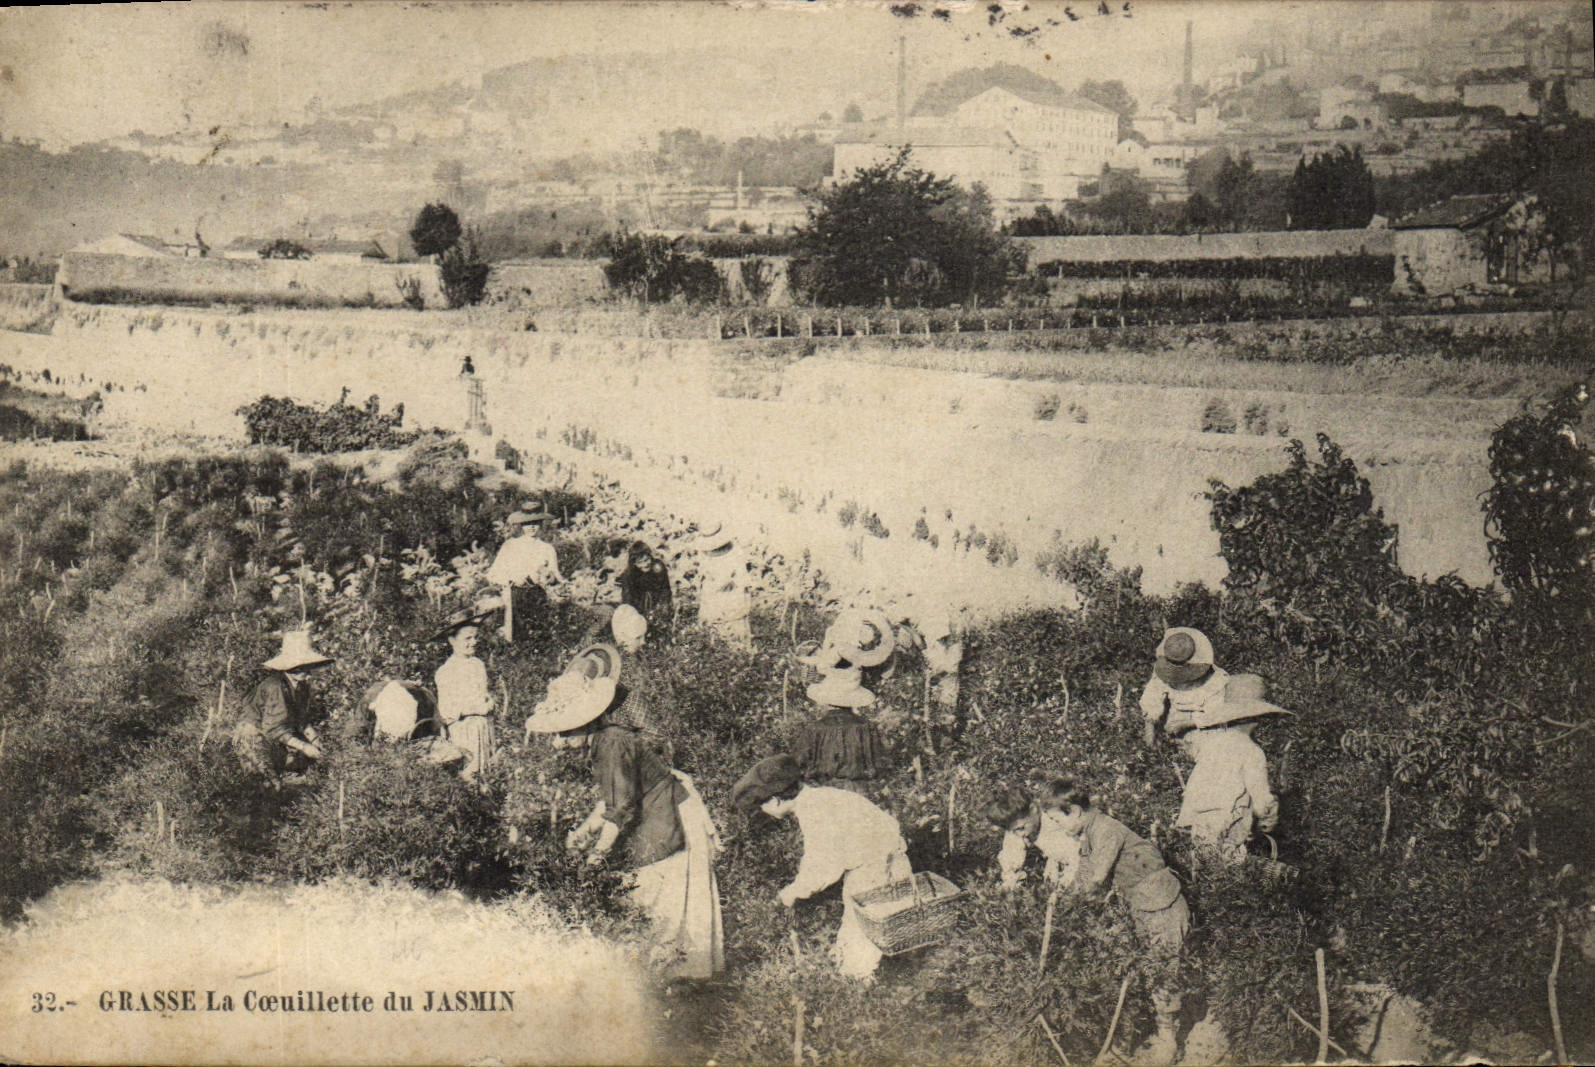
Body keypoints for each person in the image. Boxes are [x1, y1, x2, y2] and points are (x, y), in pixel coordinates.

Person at [525, 643, 724, 979]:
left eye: (565, 731)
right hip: (656, 803)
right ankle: (667, 969)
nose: (560, 742)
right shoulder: (604, 742)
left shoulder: (613, 745)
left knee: (656, 882)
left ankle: (677, 973)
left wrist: (596, 856)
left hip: (667, 811)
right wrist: (586, 830)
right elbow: (615, 796)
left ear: (586, 723)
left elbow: (620, 809)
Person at [1046, 778, 1188, 1066]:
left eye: (1056, 820)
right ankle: (1125, 1040)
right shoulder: (1088, 834)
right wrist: (1060, 903)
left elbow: (1097, 879)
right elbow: (1083, 876)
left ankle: (1168, 1041)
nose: (1057, 827)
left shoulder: (1106, 830)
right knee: (1133, 970)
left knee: (1162, 970)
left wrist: (1073, 907)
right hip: (1137, 906)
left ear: (1072, 811)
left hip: (1161, 905)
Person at [733, 754, 911, 980]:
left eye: (762, 806)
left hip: (873, 874)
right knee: (878, 937)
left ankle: (860, 993)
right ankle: (885, 977)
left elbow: (822, 866)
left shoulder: (815, 811)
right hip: (889, 863)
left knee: (858, 956)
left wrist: (792, 893)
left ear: (775, 800)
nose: (764, 812)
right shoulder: (825, 796)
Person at [1174, 674, 1286, 866]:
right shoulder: (1252, 751)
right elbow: (1260, 798)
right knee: (1229, 864)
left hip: (1199, 818)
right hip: (1228, 820)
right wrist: (1269, 814)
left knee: (1204, 864)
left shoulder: (1211, 743)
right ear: (1256, 719)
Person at [232, 630, 333, 786]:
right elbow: (272, 728)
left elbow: (301, 721)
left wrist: (316, 742)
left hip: (275, 737)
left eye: (309, 667)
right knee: (269, 784)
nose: (308, 673)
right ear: (291, 667)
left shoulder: (301, 686)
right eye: (302, 668)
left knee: (299, 769)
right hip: (254, 737)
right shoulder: (275, 687)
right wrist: (305, 747)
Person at [433, 598, 503, 784]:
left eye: (475, 637)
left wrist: (489, 701)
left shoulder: (478, 665)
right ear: (452, 640)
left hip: (484, 728)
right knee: (469, 775)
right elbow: (447, 712)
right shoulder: (446, 671)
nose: (473, 642)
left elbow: (483, 693)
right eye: (467, 638)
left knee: (488, 775)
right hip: (464, 732)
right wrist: (475, 709)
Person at [793, 663, 885, 785]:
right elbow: (881, 763)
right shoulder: (867, 727)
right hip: (860, 791)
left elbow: (798, 764)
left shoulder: (814, 729)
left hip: (824, 792)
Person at [1139, 627, 1230, 747]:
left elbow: (1215, 714)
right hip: (1173, 722)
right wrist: (1150, 737)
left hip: (1202, 725)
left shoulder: (1215, 680)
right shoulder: (1165, 673)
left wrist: (1186, 723)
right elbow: (1152, 700)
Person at [486, 502, 562, 643]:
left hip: (537, 594)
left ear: (541, 524)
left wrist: (549, 578)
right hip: (515, 593)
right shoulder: (510, 545)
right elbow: (494, 573)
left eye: (535, 523)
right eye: (528, 524)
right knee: (517, 634)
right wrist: (511, 579)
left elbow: (555, 575)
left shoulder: (547, 548)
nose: (532, 527)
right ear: (521, 525)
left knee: (539, 633)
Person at [981, 786, 1081, 890]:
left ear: (1033, 809)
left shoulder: (1055, 820)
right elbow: (1010, 856)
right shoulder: (1021, 824)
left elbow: (1076, 857)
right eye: (1014, 830)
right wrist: (1010, 880)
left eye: (1022, 828)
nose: (1020, 834)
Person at [694, 524, 752, 648]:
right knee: (715, 628)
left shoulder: (735, 552)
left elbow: (744, 577)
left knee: (735, 631)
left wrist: (734, 582)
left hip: (732, 596)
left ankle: (739, 652)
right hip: (713, 596)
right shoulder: (704, 555)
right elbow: (704, 575)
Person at [616, 540, 673, 637]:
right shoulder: (629, 575)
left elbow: (665, 589)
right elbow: (627, 598)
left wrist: (663, 607)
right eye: (640, 562)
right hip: (639, 603)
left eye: (646, 560)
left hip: (656, 600)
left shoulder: (657, 567)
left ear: (650, 557)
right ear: (634, 563)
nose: (645, 564)